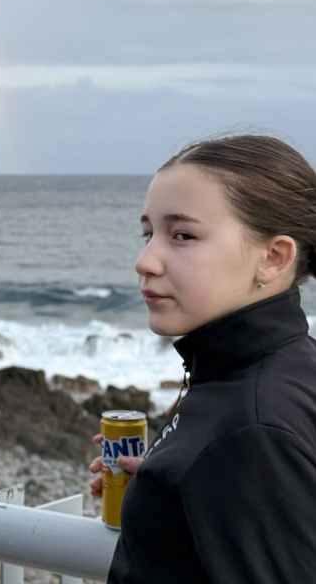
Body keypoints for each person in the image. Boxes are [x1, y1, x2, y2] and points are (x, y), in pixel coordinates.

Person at [88, 134, 316, 582]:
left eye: (183, 235)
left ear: (274, 258)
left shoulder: (252, 429)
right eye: (149, 233)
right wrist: (164, 485)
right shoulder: (281, 368)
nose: (145, 261)